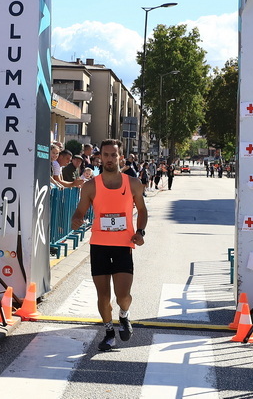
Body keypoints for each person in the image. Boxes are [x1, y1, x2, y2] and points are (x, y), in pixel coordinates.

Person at [71, 139, 147, 351]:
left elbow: (142, 210)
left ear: (120, 157)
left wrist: (140, 232)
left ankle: (124, 315)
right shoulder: (90, 186)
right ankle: (108, 332)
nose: (110, 159)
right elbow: (80, 211)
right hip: (99, 246)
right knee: (103, 296)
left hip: (123, 245)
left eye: (114, 155)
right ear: (100, 157)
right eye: (106, 155)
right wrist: (76, 219)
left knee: (123, 296)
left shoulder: (133, 183)